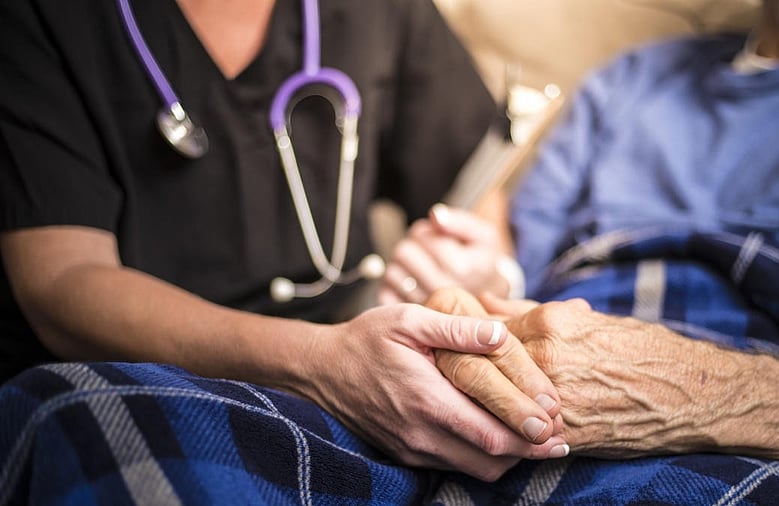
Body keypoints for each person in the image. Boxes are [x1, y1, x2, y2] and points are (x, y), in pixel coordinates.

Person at [0, 0, 573, 496]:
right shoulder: (43, 19)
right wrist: (322, 364)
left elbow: (475, 184)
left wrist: (482, 267)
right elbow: (60, 280)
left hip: (363, 374)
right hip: (139, 381)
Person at [387, 0, 779, 499]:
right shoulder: (631, 78)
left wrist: (710, 395)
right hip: (565, 348)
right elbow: (524, 265)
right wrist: (484, 279)